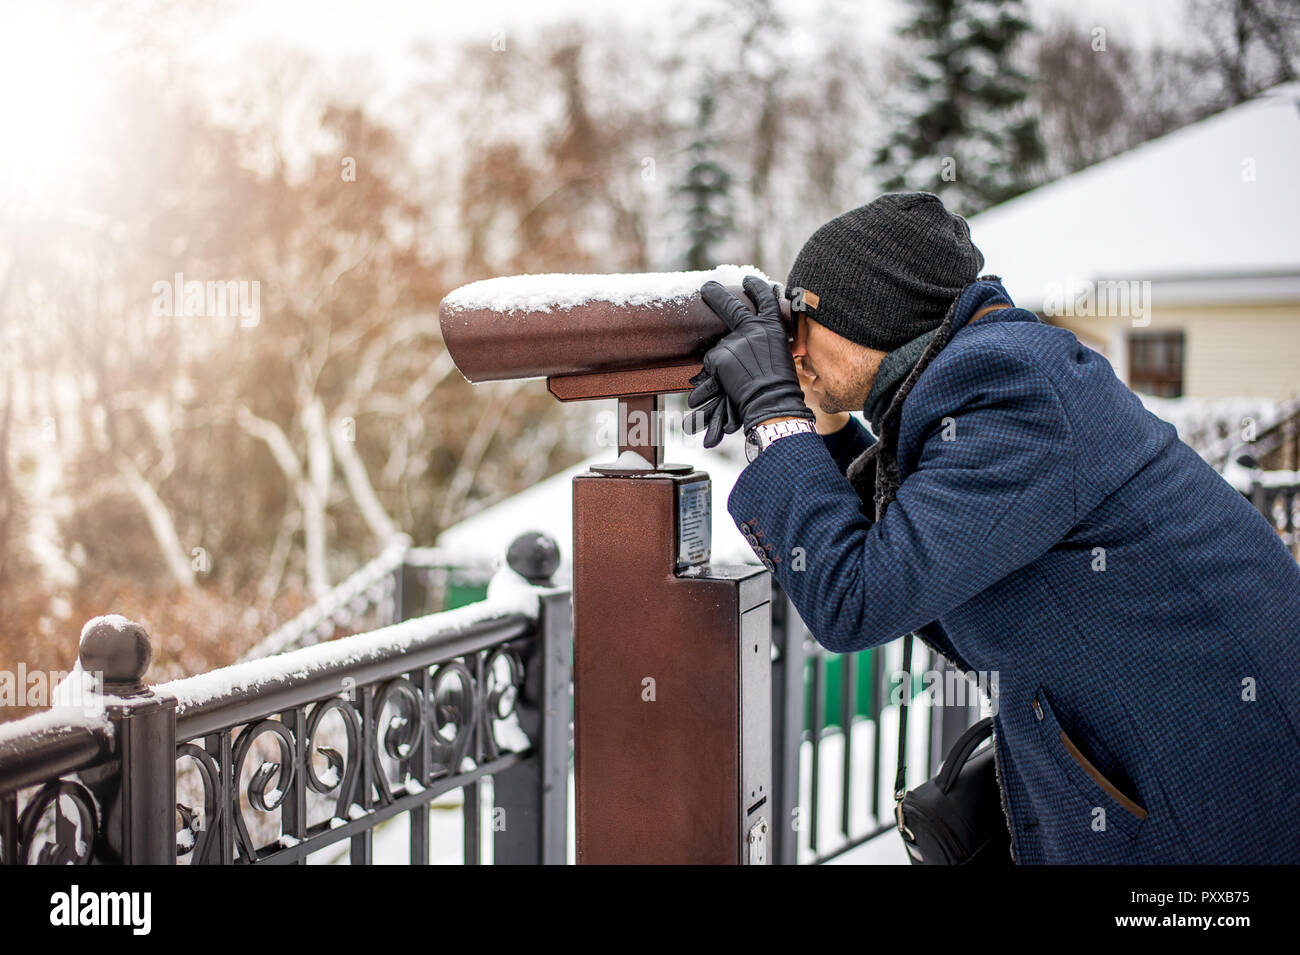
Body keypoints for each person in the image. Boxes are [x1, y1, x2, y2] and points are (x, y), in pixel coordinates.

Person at [684, 191, 1300, 864]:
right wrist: (810, 417)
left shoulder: (1011, 388)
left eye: (798, 320)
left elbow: (858, 595)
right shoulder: (987, 382)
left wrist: (776, 410)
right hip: (1180, 775)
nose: (791, 348)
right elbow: (914, 548)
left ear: (873, 314)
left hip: (1211, 812)